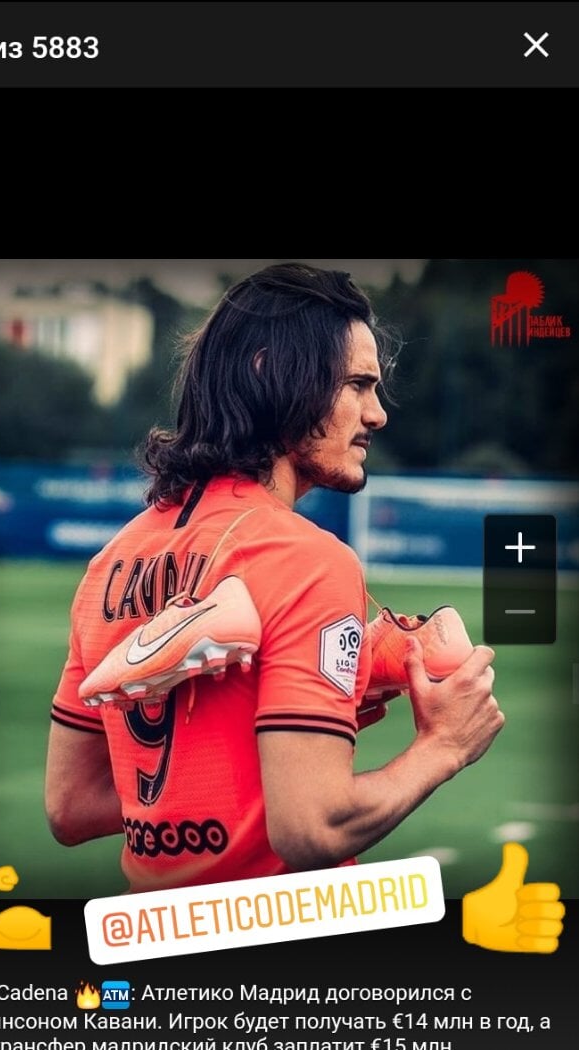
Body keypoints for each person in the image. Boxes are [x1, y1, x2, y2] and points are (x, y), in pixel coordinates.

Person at [45, 262, 504, 893]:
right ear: (272, 374)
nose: (377, 414)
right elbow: (313, 829)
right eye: (357, 385)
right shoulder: (310, 560)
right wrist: (445, 745)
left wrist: (252, 753)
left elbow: (71, 806)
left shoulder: (111, 562)